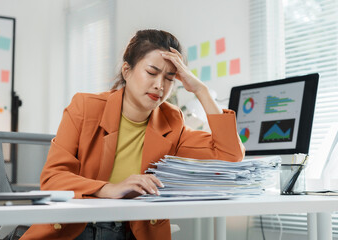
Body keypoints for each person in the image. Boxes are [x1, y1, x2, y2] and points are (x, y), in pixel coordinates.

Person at [21, 29, 245, 240]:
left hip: (133, 231)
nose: (160, 85)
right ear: (127, 71)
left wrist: (200, 90)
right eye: (151, 72)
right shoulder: (85, 107)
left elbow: (230, 154)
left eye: (170, 77)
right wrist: (109, 189)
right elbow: (53, 178)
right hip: (76, 228)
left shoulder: (172, 121)